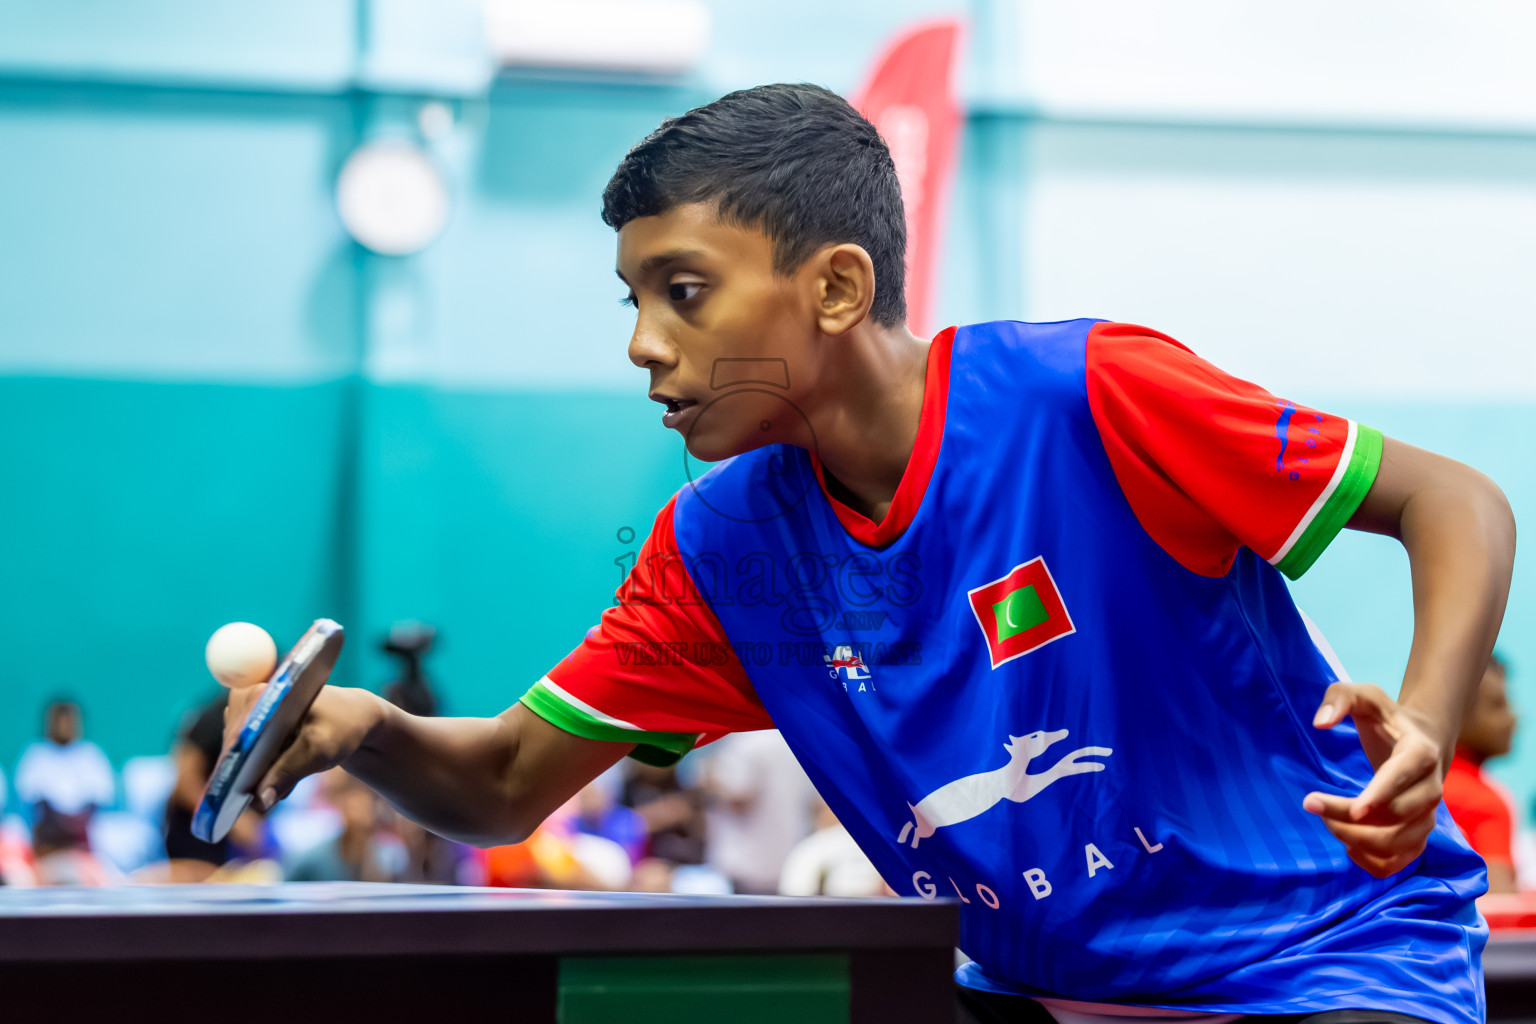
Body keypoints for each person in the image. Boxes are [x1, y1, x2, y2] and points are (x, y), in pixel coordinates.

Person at [230, 84, 1514, 1023]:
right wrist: (361, 730)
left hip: (1322, 961)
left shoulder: (1085, 393)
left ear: (837, 288)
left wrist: (1426, 719)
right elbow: (508, 781)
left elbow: (1454, 500)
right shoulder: (719, 545)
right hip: (1031, 992)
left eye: (684, 291)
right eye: (634, 300)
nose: (643, 343)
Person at [1443, 653, 1519, 894]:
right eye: (1497, 705)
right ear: (1456, 714)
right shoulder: (1483, 802)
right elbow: (1499, 904)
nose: (1514, 717)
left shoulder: (1415, 784)